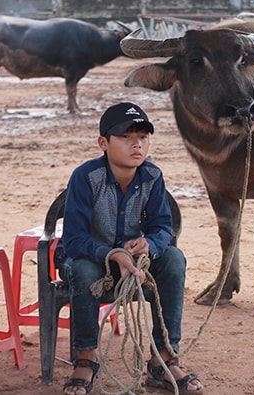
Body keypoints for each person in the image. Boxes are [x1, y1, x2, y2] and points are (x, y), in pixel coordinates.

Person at [55, 102, 204, 395]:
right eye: (126, 137)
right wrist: (112, 253)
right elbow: (73, 239)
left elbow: (164, 227)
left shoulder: (152, 177)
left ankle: (163, 358)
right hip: (89, 258)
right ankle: (86, 358)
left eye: (143, 137)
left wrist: (149, 243)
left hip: (135, 262)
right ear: (103, 143)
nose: (136, 144)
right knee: (83, 271)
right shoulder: (86, 177)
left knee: (173, 258)